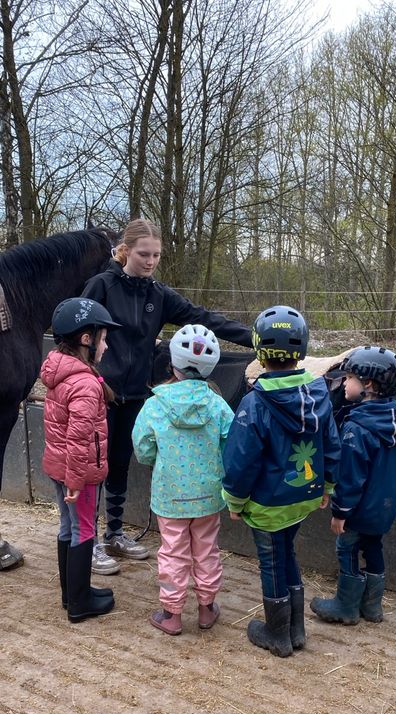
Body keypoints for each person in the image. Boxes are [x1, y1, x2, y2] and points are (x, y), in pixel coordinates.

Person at [81, 219, 252, 576]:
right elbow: (78, 333)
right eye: (144, 254)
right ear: (125, 251)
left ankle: (114, 532)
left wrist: (255, 338)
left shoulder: (157, 294)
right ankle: (90, 540)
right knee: (96, 465)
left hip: (136, 392)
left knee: (121, 461)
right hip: (100, 390)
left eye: (156, 255)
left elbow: (201, 317)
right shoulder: (101, 286)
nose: (150, 261)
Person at [222, 305, 341, 658]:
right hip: (304, 498)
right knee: (286, 551)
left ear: (259, 350)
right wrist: (328, 487)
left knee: (272, 561)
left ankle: (277, 633)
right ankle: (296, 629)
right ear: (301, 349)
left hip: (267, 503)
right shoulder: (321, 395)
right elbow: (332, 446)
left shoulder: (254, 403)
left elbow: (240, 460)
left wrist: (234, 501)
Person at [132, 324, 234, 636]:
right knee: (206, 550)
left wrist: (156, 461)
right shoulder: (218, 404)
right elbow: (230, 444)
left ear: (173, 365)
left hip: (169, 495)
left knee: (173, 551)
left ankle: (172, 614)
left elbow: (142, 448)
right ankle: (206, 609)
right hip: (208, 495)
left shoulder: (155, 404)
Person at [310, 346, 396, 625]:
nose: (343, 383)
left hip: (357, 510)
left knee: (346, 548)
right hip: (384, 508)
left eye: (349, 378)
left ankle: (346, 606)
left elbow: (350, 476)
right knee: (373, 547)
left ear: (368, 385)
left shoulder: (357, 428)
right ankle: (372, 607)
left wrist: (340, 511)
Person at [40, 298, 121, 623]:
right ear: (86, 339)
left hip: (59, 467)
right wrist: (76, 481)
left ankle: (70, 594)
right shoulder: (85, 384)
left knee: (67, 526)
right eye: (102, 337)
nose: (106, 344)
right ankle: (80, 602)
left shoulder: (61, 372)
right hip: (80, 473)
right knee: (84, 529)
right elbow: (79, 438)